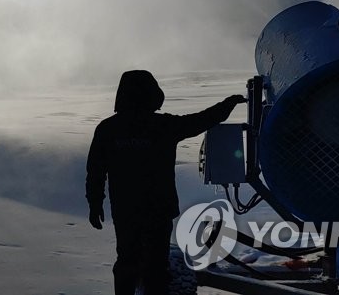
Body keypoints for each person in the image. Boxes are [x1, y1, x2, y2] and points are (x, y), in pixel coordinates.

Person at [86, 69, 244, 295]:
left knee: (127, 261)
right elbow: (202, 120)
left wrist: (94, 203)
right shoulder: (163, 126)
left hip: (126, 209)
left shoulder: (109, 128)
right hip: (158, 208)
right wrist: (228, 104)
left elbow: (95, 171)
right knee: (155, 267)